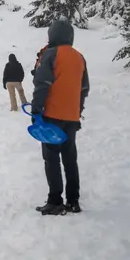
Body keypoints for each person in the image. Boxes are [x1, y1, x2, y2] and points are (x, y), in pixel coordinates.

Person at [31, 20, 89, 215]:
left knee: (51, 158)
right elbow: (84, 89)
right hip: (71, 118)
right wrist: (77, 112)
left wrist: (36, 110)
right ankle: (73, 201)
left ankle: (55, 200)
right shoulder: (79, 57)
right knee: (70, 158)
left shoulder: (50, 54)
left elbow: (42, 84)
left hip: (51, 117)